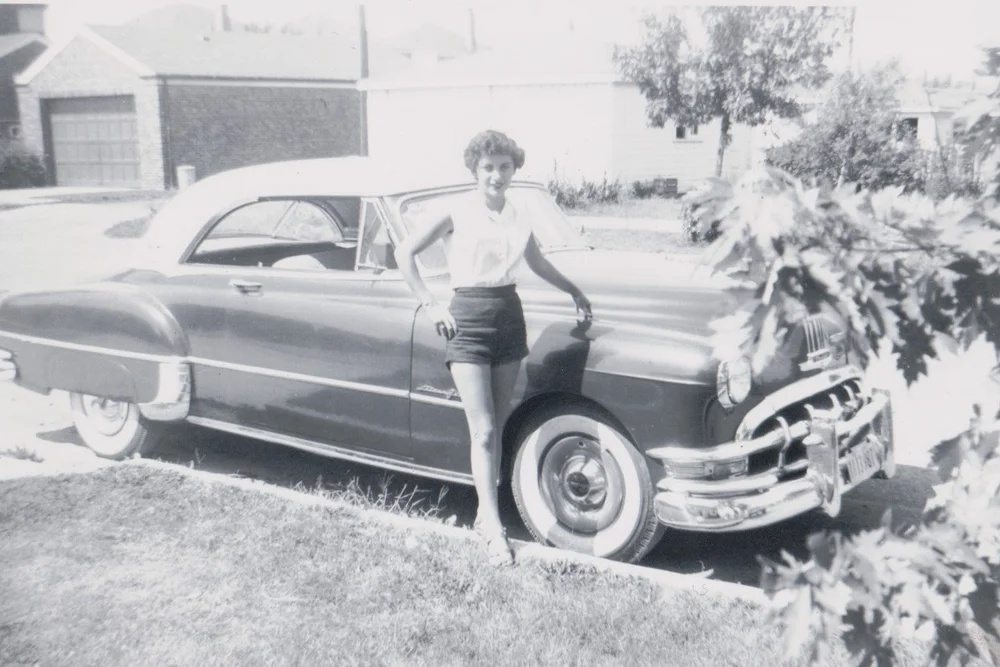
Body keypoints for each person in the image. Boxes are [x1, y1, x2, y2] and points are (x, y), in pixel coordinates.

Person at [394, 130, 592, 566]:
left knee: (498, 427)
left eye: (505, 167)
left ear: (514, 169)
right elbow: (404, 252)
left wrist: (573, 289)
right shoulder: (455, 211)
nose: (496, 176)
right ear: (474, 170)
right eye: (488, 167)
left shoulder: (520, 214)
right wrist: (430, 303)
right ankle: (494, 528)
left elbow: (536, 262)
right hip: (468, 319)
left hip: (508, 317)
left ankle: (486, 514)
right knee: (482, 431)